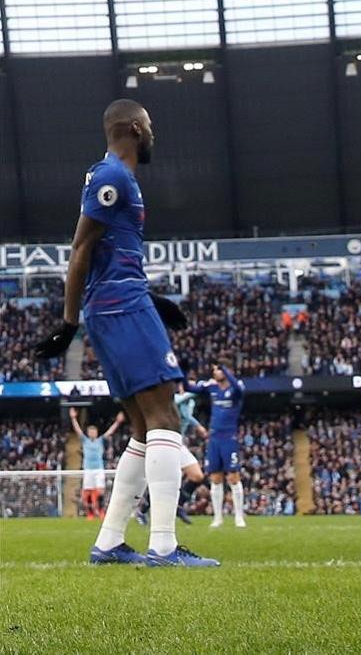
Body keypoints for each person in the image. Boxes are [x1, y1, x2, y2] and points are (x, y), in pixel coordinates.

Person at [34, 98, 217, 567]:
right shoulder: (112, 176)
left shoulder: (116, 178)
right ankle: (164, 546)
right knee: (165, 420)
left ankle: (111, 541)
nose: (153, 133)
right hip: (119, 307)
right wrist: (69, 322)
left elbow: (106, 255)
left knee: (141, 427)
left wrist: (150, 299)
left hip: (119, 304)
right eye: (150, 126)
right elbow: (80, 247)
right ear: (135, 128)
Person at [135, 383, 208, 525]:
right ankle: (142, 510)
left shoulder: (190, 402)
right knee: (165, 479)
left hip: (178, 442)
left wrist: (197, 425)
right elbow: (178, 403)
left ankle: (178, 505)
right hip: (165, 439)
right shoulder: (172, 398)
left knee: (197, 475)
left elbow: (186, 416)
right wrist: (198, 390)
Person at [188, 359, 246, 528]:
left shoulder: (235, 388)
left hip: (229, 438)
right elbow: (191, 388)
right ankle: (218, 517)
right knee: (215, 477)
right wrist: (184, 374)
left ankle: (239, 517)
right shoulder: (212, 388)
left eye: (218, 370)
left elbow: (238, 389)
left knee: (233, 477)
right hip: (214, 438)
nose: (215, 372)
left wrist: (226, 370)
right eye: (214, 370)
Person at [69, 408, 124, 520]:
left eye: (94, 431)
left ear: (97, 433)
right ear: (88, 433)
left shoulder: (100, 440)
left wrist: (117, 422)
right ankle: (90, 513)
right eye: (91, 431)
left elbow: (110, 431)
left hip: (99, 469)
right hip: (88, 470)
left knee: (100, 491)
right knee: (87, 492)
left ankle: (101, 510)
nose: (93, 433)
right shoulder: (85, 440)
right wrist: (73, 418)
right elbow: (78, 430)